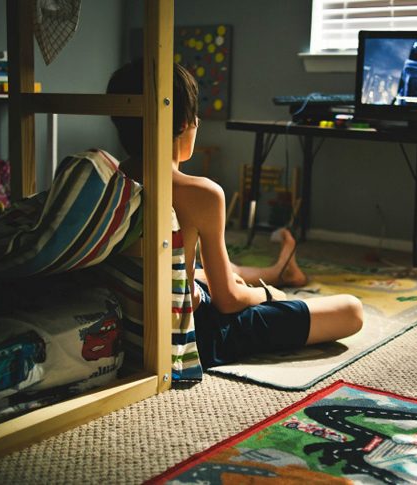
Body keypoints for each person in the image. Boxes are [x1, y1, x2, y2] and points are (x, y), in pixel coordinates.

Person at [107, 59, 363, 368]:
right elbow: (227, 301)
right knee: (351, 310)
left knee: (213, 272)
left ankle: (278, 271)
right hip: (196, 334)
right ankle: (275, 282)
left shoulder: (115, 176)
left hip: (139, 317)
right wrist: (270, 298)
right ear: (185, 123)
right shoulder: (203, 193)